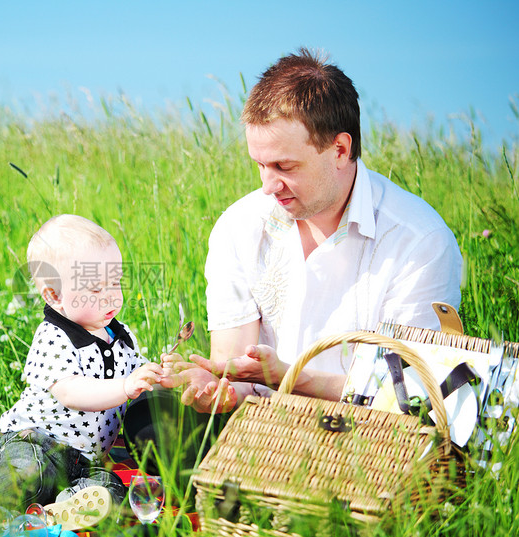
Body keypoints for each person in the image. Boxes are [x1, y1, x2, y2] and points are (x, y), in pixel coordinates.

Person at [166, 48, 462, 413]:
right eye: (259, 165)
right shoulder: (238, 226)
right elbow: (236, 379)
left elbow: (410, 396)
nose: (268, 185)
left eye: (284, 166)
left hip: (369, 448)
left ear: (339, 149)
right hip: (259, 438)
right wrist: (217, 392)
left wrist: (289, 377)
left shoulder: (420, 242)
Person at [0, 215, 162, 520]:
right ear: (55, 297)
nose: (112, 296)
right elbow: (71, 392)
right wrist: (124, 387)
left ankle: (61, 509)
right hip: (34, 443)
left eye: (116, 282)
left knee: (110, 489)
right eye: (95, 289)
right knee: (28, 475)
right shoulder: (54, 337)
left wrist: (160, 375)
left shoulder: (121, 335)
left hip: (85, 461)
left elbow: (138, 375)